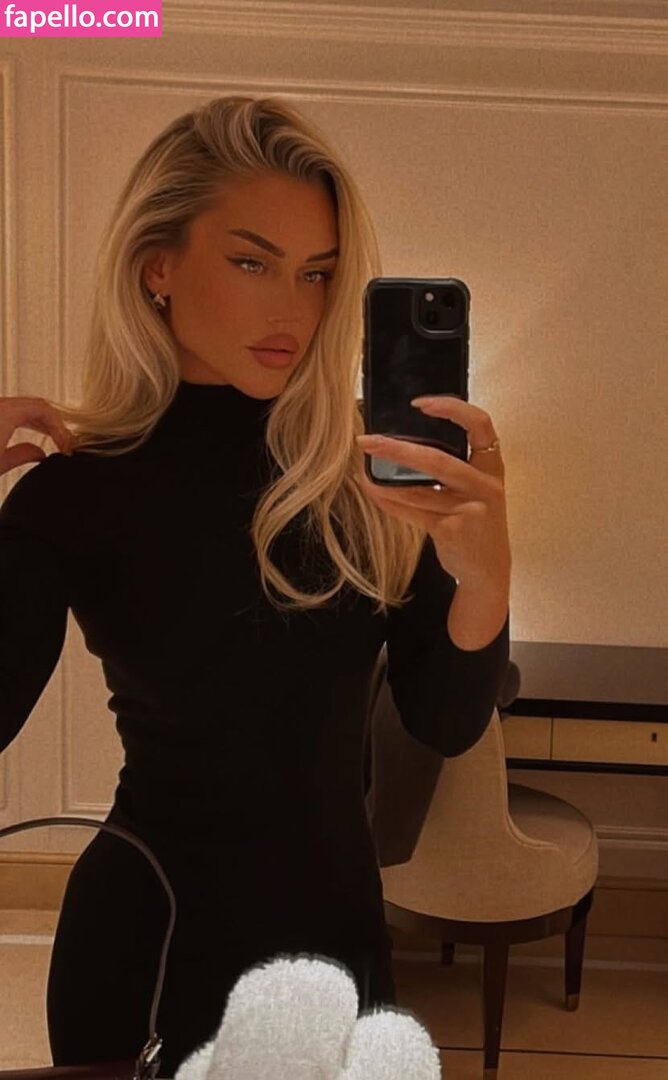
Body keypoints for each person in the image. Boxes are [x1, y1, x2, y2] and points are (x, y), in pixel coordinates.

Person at [0, 95, 512, 1075]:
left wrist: (486, 578)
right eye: (251, 263)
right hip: (151, 949)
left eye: (318, 273)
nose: (292, 308)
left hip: (341, 944)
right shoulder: (76, 490)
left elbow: (443, 722)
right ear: (157, 264)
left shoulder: (367, 476)